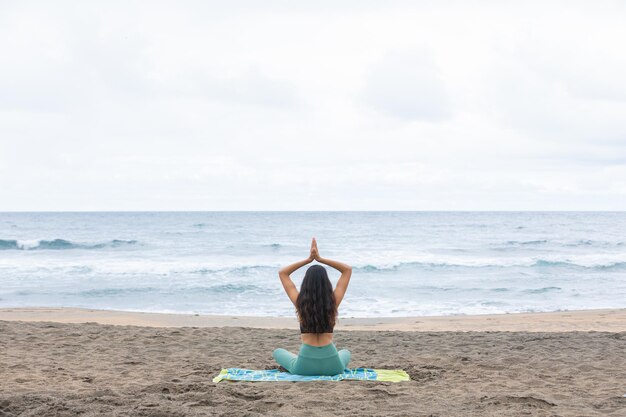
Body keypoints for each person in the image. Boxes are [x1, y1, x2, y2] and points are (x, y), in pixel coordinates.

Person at [272, 237, 353, 376]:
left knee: (277, 352)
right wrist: (320, 259)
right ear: (327, 283)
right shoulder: (332, 303)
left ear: (305, 284)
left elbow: (283, 273)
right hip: (333, 367)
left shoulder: (300, 303)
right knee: (345, 352)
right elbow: (347, 270)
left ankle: (300, 361)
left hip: (303, 368)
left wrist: (308, 260)